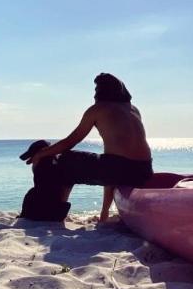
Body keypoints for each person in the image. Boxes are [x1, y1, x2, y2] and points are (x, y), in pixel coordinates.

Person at [21, 73, 153, 223]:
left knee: (66, 160)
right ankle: (104, 215)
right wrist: (104, 214)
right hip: (144, 171)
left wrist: (41, 154)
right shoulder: (133, 109)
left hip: (118, 168)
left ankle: (57, 214)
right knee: (108, 162)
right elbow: (114, 163)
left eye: (96, 89)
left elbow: (69, 142)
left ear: (100, 91)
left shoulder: (97, 109)